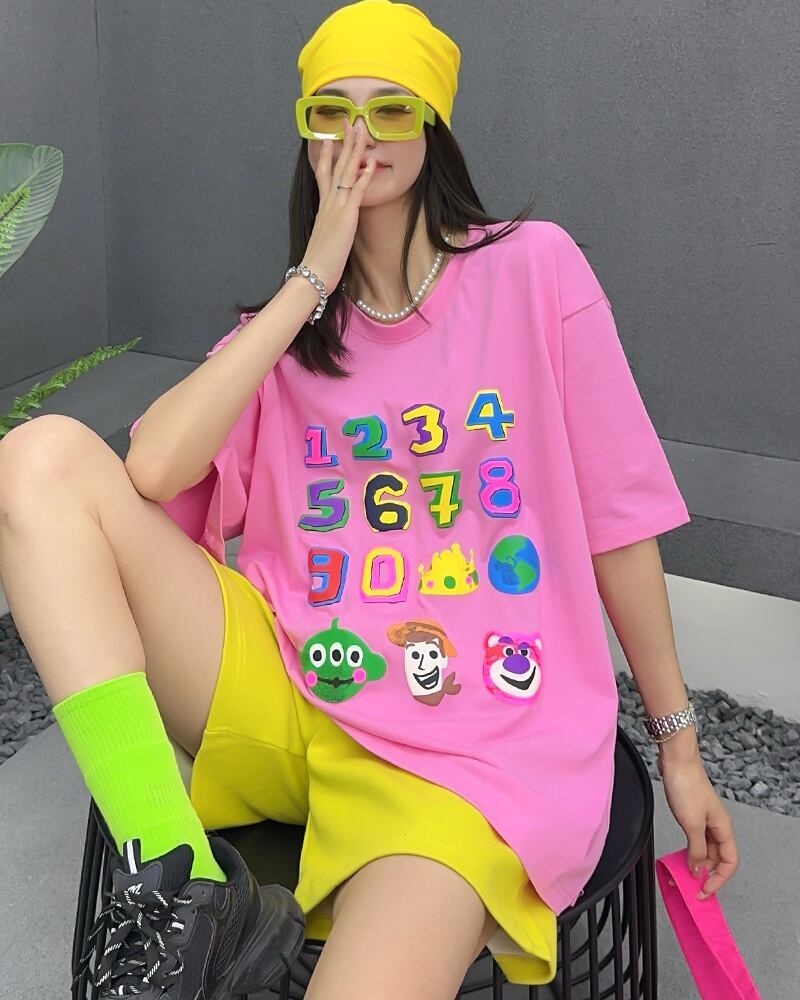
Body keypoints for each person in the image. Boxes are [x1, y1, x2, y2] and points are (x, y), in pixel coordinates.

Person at [0, 0, 739, 997]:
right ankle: (174, 879)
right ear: (306, 136)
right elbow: (154, 468)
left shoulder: (533, 270)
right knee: (38, 456)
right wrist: (312, 278)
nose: (359, 137)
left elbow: (618, 523)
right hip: (288, 691)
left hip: (465, 753)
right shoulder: (287, 330)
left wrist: (680, 750)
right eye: (331, 112)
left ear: (432, 128)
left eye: (390, 109)